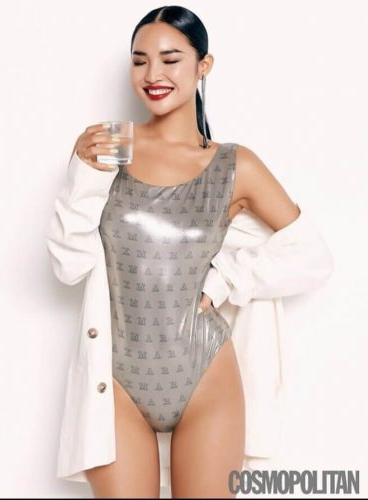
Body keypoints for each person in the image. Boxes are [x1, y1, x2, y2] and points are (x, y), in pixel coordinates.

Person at [47, 5, 333, 498]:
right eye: (140, 61)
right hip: (114, 381)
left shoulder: (234, 165)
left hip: (205, 377)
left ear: (203, 65)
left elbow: (312, 255)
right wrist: (83, 176)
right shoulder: (108, 147)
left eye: (170, 59)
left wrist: (227, 279)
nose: (152, 75)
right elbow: (67, 266)